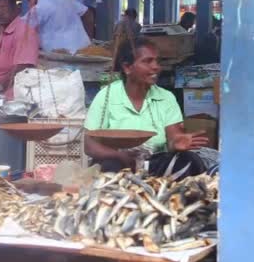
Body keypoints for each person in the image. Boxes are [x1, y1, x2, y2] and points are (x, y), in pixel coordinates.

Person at [84, 37, 209, 173]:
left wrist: (176, 142)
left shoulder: (166, 98)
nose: (156, 66)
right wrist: (119, 155)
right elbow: (89, 145)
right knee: (109, 166)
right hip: (118, 160)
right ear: (127, 67)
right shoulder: (106, 96)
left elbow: (174, 137)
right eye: (147, 61)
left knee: (190, 161)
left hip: (154, 163)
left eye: (157, 61)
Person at [24, 0, 91, 54]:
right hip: (83, 49)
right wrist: (89, 36)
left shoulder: (40, 7)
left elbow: (23, 27)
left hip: (61, 54)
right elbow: (87, 13)